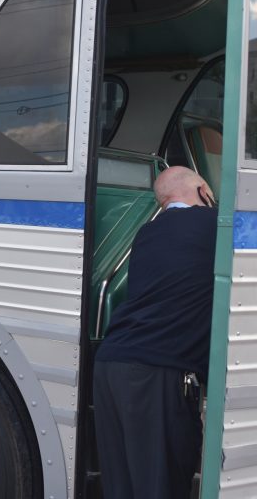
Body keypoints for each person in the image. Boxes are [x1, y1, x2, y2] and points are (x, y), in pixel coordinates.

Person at [93, 166, 217, 499]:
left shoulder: (146, 235)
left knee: (122, 488)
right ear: (203, 191)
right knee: (160, 485)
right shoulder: (214, 225)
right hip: (156, 373)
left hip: (111, 365)